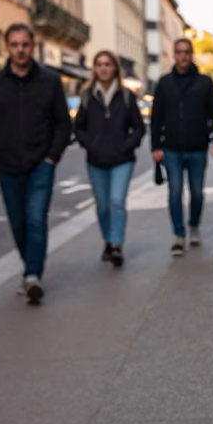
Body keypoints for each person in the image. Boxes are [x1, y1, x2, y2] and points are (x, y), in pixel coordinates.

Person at [0, 22, 71, 304]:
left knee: (36, 220)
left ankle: (32, 276)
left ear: (33, 46)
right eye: (14, 45)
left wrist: (52, 157)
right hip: (8, 165)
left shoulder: (50, 81)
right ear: (7, 48)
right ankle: (30, 268)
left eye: (25, 45)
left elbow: (64, 124)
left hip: (41, 163)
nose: (20, 50)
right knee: (18, 223)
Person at [150, 37, 213, 253]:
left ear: (191, 55)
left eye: (186, 52)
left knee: (197, 192)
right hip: (172, 147)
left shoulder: (204, 82)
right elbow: (156, 117)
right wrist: (155, 146)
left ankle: (194, 226)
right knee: (174, 192)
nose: (183, 56)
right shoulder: (164, 83)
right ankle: (178, 235)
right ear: (174, 55)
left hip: (198, 147)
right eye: (179, 52)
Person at [74, 50, 146, 267]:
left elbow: (139, 127)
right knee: (103, 205)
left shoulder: (125, 96)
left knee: (117, 201)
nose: (103, 68)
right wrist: (90, 145)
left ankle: (116, 245)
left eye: (107, 64)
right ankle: (107, 239)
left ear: (115, 68)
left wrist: (127, 145)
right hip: (96, 160)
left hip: (122, 159)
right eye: (99, 65)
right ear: (95, 69)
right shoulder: (88, 96)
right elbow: (78, 127)